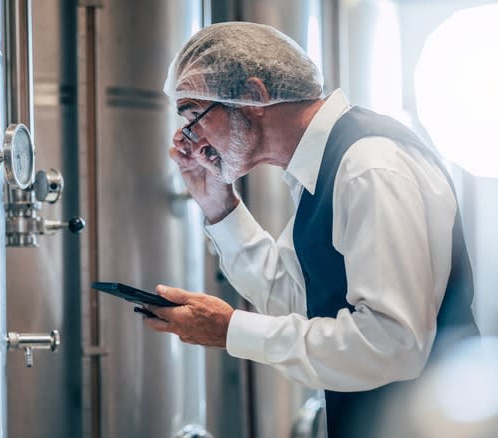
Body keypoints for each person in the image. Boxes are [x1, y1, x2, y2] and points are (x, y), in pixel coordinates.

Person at [142, 22, 480, 438]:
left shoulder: (368, 166)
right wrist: (219, 205)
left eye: (195, 115)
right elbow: (296, 298)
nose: (187, 139)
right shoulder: (323, 168)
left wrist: (232, 330)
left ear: (253, 96)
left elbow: (394, 343)